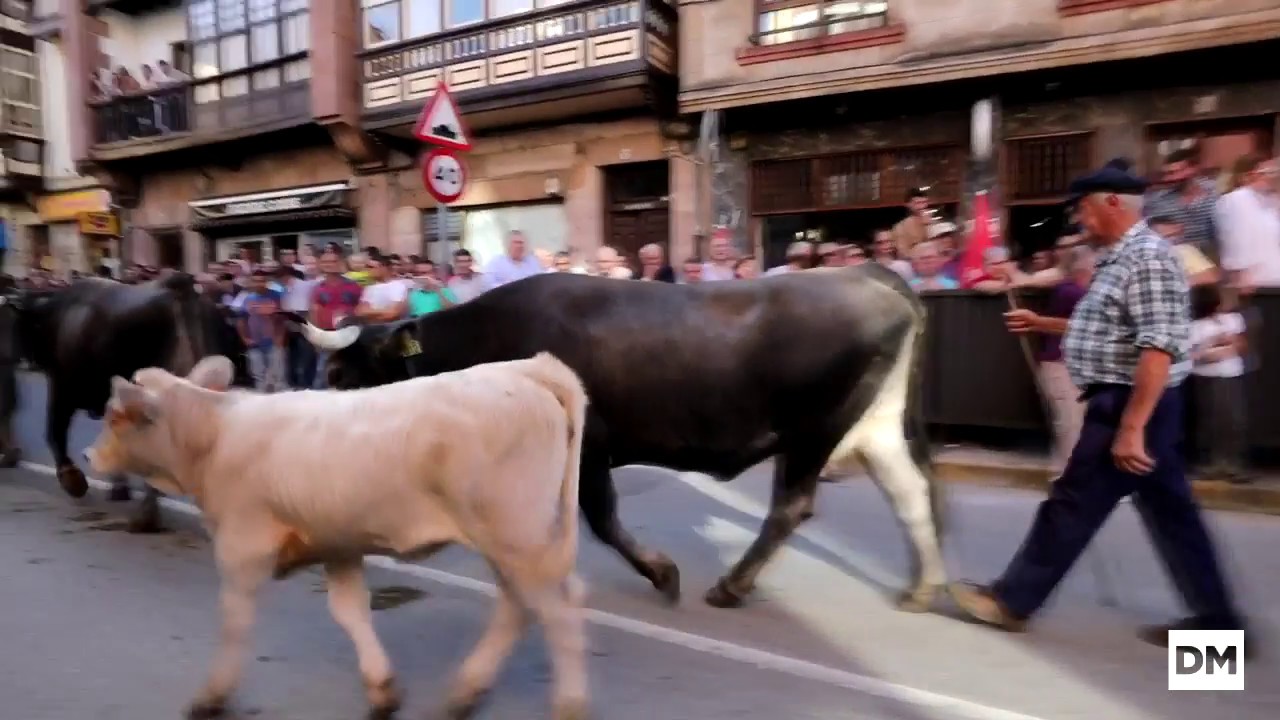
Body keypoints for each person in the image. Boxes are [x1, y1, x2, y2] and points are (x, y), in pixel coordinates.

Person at [949, 159, 1250, 648]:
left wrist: (1131, 428)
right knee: (1174, 515)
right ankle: (1219, 627)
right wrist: (1044, 324)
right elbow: (1117, 331)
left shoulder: (1147, 259)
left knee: (1072, 502)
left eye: (1084, 210)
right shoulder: (1120, 257)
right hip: (1140, 404)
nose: (1080, 221)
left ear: (1113, 203)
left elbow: (1157, 347)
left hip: (1132, 404)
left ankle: (1012, 601)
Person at [1188, 284, 1250, 484]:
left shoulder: (1233, 320)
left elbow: (1240, 345)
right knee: (1210, 420)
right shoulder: (1195, 327)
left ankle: (1233, 463)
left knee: (1234, 420)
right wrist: (1217, 347)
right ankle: (1211, 464)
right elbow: (1196, 355)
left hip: (1231, 374)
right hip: (1207, 377)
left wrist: (1219, 349)